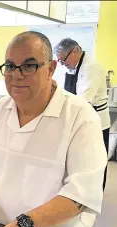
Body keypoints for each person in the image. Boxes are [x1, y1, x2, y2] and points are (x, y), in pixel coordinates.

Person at [0, 31, 107, 227]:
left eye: (29, 65)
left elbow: (80, 194)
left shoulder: (80, 117)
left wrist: (23, 226)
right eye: (11, 66)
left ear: (51, 69)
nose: (17, 75)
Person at [54, 38, 110, 190]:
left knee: (98, 160)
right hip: (83, 117)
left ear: (75, 51)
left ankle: (96, 192)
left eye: (63, 60)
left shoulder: (91, 67)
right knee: (82, 158)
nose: (62, 64)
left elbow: (84, 100)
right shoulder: (75, 67)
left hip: (97, 121)